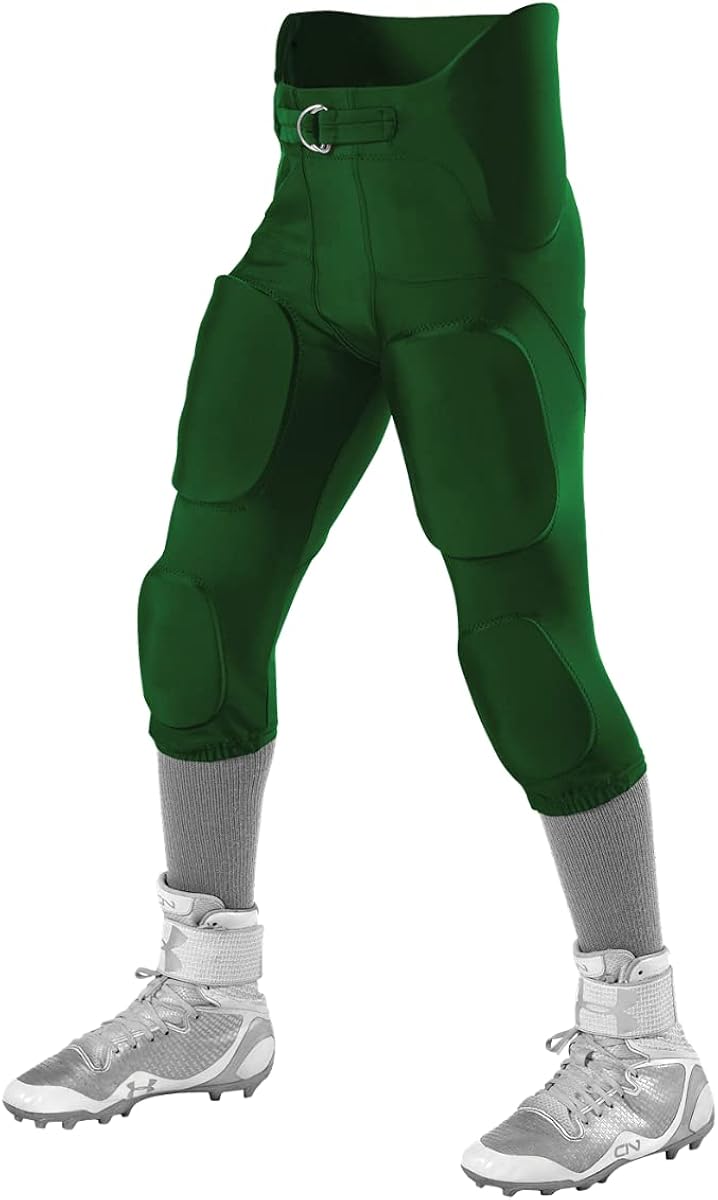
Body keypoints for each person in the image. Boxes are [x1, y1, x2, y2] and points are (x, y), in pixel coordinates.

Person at [4, 6, 713, 1192]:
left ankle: (645, 1048)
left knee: (524, 648)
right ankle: (210, 1002)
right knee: (193, 608)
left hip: (477, 226)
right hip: (308, 216)